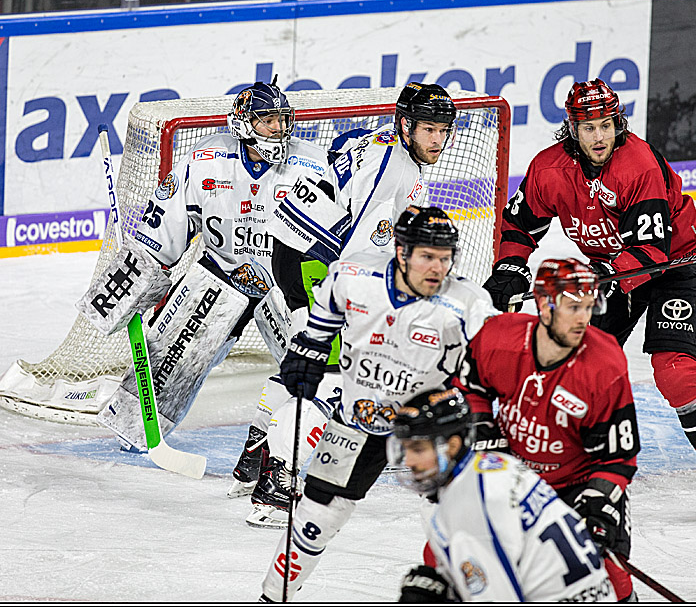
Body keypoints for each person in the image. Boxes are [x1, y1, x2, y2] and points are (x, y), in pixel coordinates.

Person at [481, 78, 696, 522]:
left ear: (617, 122)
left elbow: (651, 251)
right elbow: (518, 227)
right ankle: (564, 467)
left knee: (676, 373)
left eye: (606, 124)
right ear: (572, 128)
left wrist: (604, 274)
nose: (599, 135)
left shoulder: (637, 164)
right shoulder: (549, 170)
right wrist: (511, 267)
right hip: (612, 270)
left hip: (673, 265)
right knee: (572, 361)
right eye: (588, 127)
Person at [229, 83, 459, 526]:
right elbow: (351, 246)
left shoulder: (377, 141)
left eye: (443, 130)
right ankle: (275, 490)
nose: (437, 140)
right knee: (332, 380)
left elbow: (339, 149)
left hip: (295, 250)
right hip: (317, 263)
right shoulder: (393, 167)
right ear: (406, 125)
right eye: (428, 129)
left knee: (305, 362)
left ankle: (252, 462)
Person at [62, 80, 330, 450]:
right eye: (268, 121)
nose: (279, 130)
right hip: (221, 274)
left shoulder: (312, 164)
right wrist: (134, 282)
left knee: (318, 359)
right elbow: (162, 232)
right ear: (244, 123)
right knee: (172, 356)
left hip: (284, 282)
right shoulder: (206, 159)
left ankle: (333, 437)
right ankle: (136, 428)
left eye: (283, 121)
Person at [257, 205, 498, 601]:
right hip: (359, 421)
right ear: (401, 252)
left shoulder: (467, 304)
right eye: (426, 257)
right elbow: (322, 321)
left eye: (444, 258)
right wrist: (308, 352)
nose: (437, 268)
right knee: (314, 519)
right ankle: (272, 598)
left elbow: (489, 375)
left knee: (460, 526)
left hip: (433, 435)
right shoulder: (354, 276)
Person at [459, 258, 639, 601]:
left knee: (610, 572)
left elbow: (617, 459)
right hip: (513, 480)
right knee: (470, 555)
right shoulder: (499, 337)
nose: (584, 318)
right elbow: (468, 387)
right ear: (544, 304)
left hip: (578, 485)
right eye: (574, 307)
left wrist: (597, 508)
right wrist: (485, 434)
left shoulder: (604, 365)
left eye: (589, 307)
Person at [390, 387, 614, 603]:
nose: (408, 461)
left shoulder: (469, 513)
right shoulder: (497, 464)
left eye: (418, 449)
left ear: (452, 446)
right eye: (406, 448)